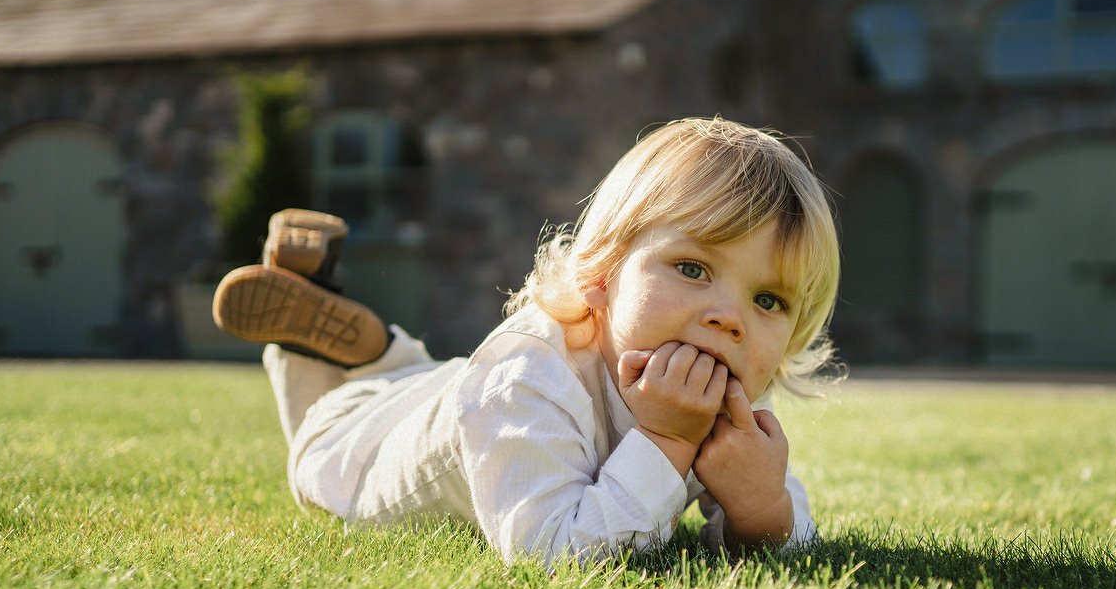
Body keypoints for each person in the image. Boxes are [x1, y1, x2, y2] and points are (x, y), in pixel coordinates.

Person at [212, 117, 842, 564]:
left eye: (768, 301)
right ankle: (310, 328)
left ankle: (386, 357)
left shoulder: (707, 383)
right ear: (600, 275)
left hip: (448, 391)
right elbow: (554, 556)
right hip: (366, 444)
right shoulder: (527, 378)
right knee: (319, 439)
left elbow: (788, 543)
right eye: (693, 269)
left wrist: (763, 511)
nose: (729, 318)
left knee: (421, 378)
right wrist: (667, 441)